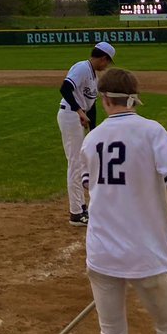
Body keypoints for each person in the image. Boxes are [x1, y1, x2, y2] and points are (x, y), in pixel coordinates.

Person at [81, 68, 167, 334]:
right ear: (133, 99)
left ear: (105, 99)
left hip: (102, 252)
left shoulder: (91, 138)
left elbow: (87, 185)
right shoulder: (151, 131)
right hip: (145, 253)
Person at [58, 41, 116, 226]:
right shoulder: (82, 68)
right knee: (75, 163)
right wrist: (79, 111)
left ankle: (80, 208)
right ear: (103, 58)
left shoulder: (93, 77)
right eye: (108, 62)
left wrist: (94, 132)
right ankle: (76, 213)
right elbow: (65, 88)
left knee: (81, 161)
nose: (107, 66)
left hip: (76, 116)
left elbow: (91, 107)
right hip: (69, 115)